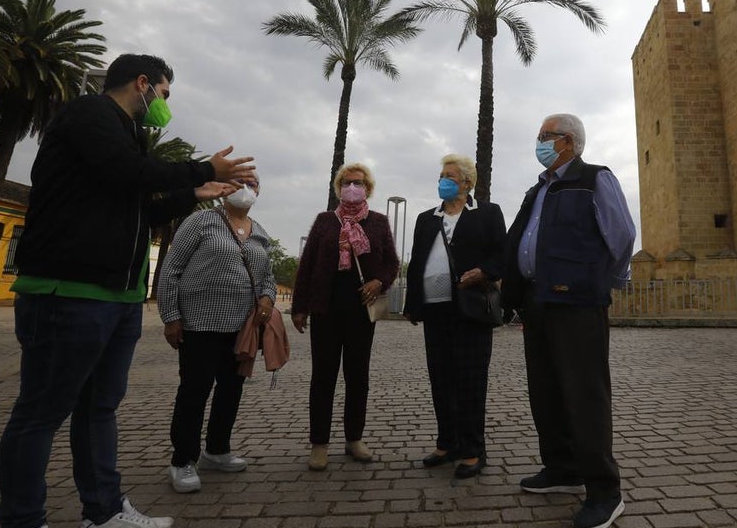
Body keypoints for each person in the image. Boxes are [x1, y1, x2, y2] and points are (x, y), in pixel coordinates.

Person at [0, 53, 254, 528]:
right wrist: (203, 168)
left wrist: (191, 192)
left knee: (100, 408)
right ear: (143, 84)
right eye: (164, 93)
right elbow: (127, 172)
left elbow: (140, 206)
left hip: (117, 297)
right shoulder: (90, 114)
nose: (165, 105)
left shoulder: (130, 137)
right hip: (69, 291)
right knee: (41, 413)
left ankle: (104, 515)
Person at [502, 113, 636, 528]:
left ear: (570, 142)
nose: (540, 142)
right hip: (537, 300)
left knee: (584, 394)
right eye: (539, 135)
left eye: (547, 136)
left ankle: (605, 491)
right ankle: (562, 467)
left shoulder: (594, 178)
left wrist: (601, 281)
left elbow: (621, 234)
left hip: (577, 302)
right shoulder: (538, 189)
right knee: (546, 390)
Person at [158, 174, 277, 493]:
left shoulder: (260, 232)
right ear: (223, 187)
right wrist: (170, 316)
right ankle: (183, 460)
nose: (245, 189)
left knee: (231, 389)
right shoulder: (201, 222)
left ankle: (217, 449)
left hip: (241, 329)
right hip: (199, 325)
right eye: (238, 182)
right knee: (195, 390)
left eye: (252, 184)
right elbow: (171, 269)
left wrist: (267, 298)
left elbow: (268, 276)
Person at [403, 154, 506, 480]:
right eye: (441, 175)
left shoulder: (487, 213)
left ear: (466, 182)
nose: (442, 180)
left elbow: (502, 253)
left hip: (470, 310)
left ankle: (473, 450)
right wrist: (412, 304)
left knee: (470, 380)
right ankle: (446, 443)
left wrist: (484, 272)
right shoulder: (426, 218)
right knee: (441, 378)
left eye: (449, 176)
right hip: (436, 310)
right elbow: (417, 262)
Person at [291, 163, 399, 470]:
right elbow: (307, 264)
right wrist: (300, 307)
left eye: (359, 183)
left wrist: (379, 282)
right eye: (347, 182)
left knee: (358, 377)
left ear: (368, 188)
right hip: (325, 310)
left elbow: (391, 263)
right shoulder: (325, 221)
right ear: (339, 187)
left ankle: (354, 438)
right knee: (323, 378)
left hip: (361, 312)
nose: (353, 187)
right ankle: (319, 444)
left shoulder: (378, 222)